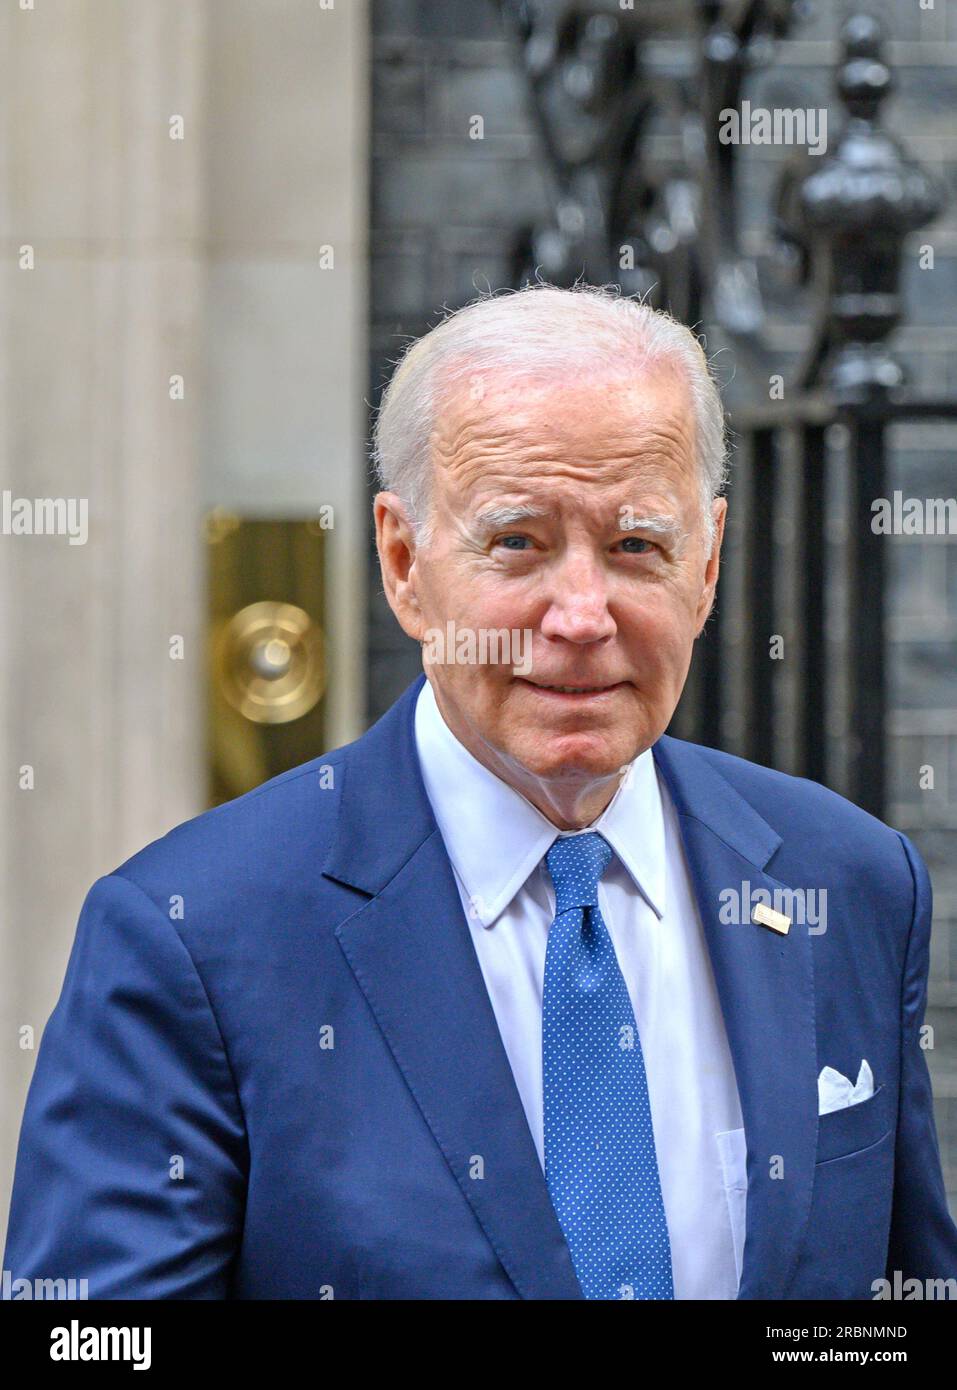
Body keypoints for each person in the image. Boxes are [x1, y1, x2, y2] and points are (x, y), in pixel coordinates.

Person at [5, 284, 956, 1299]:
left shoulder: (848, 884)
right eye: (518, 543)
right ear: (404, 562)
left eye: (637, 546)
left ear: (709, 562)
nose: (583, 614)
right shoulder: (191, 938)